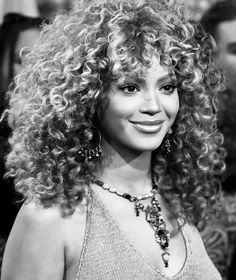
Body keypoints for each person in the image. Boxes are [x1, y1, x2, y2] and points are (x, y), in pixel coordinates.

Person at [1, 0, 225, 279]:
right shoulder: (50, 218)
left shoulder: (177, 204)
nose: (154, 106)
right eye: (130, 87)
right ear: (88, 96)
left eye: (167, 87)